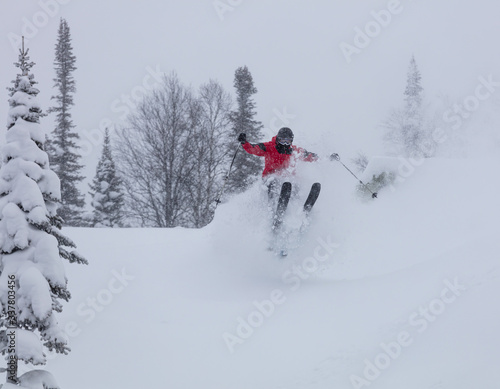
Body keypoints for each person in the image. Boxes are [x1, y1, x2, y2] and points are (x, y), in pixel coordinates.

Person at [237, 127, 327, 214]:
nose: (284, 143)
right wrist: (244, 143)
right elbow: (254, 148)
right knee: (274, 182)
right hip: (269, 178)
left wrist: (327, 158)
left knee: (295, 183)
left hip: (287, 179)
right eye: (282, 140)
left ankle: (299, 209)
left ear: (291, 141)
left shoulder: (294, 150)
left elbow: (309, 156)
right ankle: (273, 208)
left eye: (287, 141)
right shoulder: (269, 147)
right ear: (277, 139)